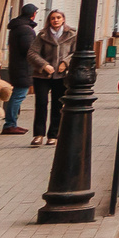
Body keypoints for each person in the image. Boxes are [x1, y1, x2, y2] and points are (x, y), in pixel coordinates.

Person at [30, 9, 76, 148]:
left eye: (58, 18)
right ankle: (38, 135)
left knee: (57, 105)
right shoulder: (42, 35)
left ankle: (53, 135)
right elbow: (32, 53)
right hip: (42, 75)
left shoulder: (72, 34)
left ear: (63, 19)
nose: (55, 20)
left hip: (61, 76)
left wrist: (65, 63)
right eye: (52, 18)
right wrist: (44, 65)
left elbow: (76, 52)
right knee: (41, 104)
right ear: (49, 21)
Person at [2, 3, 39, 135]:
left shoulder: (18, 28)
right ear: (33, 14)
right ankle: (10, 124)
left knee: (18, 95)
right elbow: (28, 50)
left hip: (18, 66)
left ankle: (12, 123)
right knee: (18, 96)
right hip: (23, 68)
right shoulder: (26, 29)